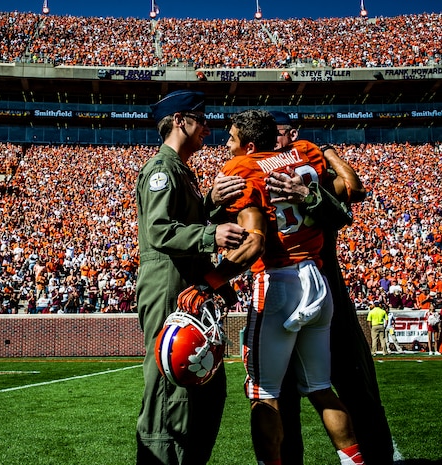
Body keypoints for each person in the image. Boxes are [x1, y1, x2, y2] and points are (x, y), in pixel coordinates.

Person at [195, 109, 366, 465]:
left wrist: (210, 282)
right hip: (317, 281)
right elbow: (350, 189)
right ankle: (354, 462)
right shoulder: (307, 153)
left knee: (264, 394)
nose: (226, 144)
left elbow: (252, 243)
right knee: (320, 388)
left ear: (250, 143)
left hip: (277, 280)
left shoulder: (242, 170)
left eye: (231, 138)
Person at [262, 111, 394, 465]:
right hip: (318, 290)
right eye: (271, 135)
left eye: (281, 133)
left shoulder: (257, 176)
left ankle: (374, 454)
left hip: (293, 295)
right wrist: (330, 155)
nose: (277, 140)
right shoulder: (312, 175)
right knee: (326, 390)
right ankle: (371, 455)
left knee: (339, 388)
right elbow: (354, 189)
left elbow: (354, 193)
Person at [135, 90, 247, 465]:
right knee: (172, 390)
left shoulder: (181, 170)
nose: (208, 128)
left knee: (203, 388)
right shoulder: (161, 170)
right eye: (201, 120)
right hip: (168, 283)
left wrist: (210, 204)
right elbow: (160, 230)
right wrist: (210, 235)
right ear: (180, 120)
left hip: (184, 284)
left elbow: (186, 219)